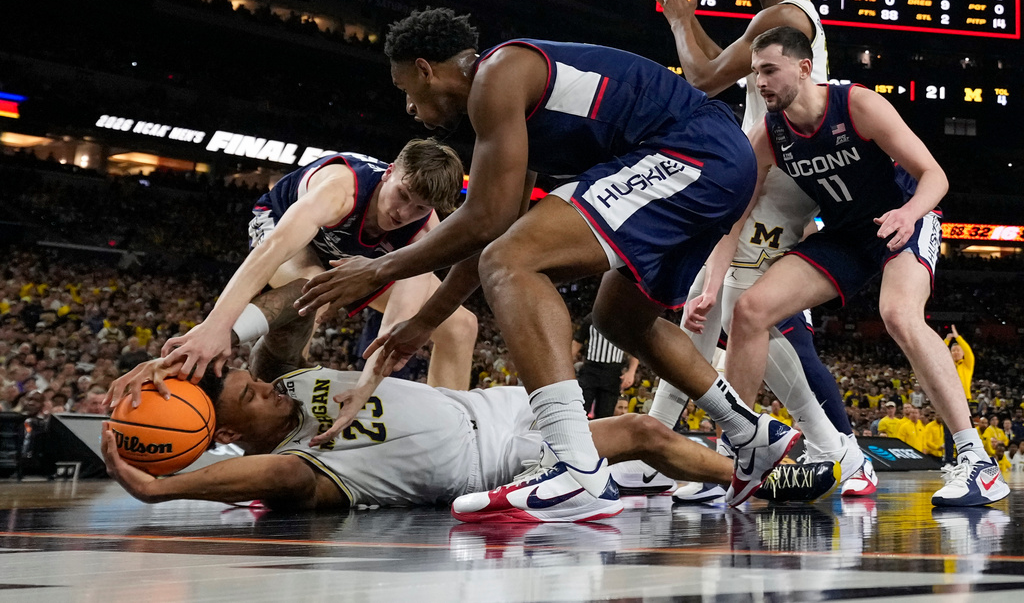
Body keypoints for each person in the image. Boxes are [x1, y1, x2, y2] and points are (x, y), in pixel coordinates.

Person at [293, 7, 802, 521]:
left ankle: (574, 467)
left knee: (512, 262)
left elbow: (488, 225)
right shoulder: (510, 101)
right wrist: (423, 322)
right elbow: (492, 231)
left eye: (407, 89)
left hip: (694, 153)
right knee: (617, 319)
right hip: (711, 162)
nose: (408, 106)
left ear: (426, 68)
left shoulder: (497, 75)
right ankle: (751, 434)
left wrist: (380, 269)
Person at [102, 283, 837, 511]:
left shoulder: (288, 384)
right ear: (221, 423)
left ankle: (735, 473)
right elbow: (272, 475)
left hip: (497, 404)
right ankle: (769, 484)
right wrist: (165, 487)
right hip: (497, 456)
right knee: (643, 430)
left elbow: (291, 305)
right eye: (243, 389)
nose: (261, 382)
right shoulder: (299, 472)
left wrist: (204, 337)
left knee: (641, 442)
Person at [723, 25, 1008, 507]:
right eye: (755, 74)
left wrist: (908, 213)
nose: (760, 82)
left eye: (769, 70)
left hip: (905, 217)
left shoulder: (856, 104)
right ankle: (744, 450)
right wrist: (710, 283)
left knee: (898, 314)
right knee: (749, 311)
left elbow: (934, 175)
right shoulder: (768, 135)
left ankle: (976, 460)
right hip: (846, 234)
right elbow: (735, 214)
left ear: (804, 67)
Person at [637, 0, 870, 497]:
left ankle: (836, 448)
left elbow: (702, 77)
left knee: (747, 309)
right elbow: (723, 65)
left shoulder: (784, 16)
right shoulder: (783, 17)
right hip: (760, 170)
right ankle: (657, 442)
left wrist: (674, 19)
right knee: (703, 308)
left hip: (778, 178)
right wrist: (687, 17)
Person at [139, 140, 478, 436]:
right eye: (402, 196)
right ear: (389, 173)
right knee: (315, 286)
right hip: (281, 225)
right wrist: (216, 325)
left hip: (356, 258)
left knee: (460, 326)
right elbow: (271, 252)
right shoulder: (340, 191)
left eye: (419, 207)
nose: (403, 213)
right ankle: (265, 417)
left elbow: (396, 323)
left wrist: (364, 389)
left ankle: (449, 429)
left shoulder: (424, 234)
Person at [572, 313, 638, 419]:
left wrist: (631, 372)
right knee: (580, 410)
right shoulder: (592, 318)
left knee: (605, 415)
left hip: (613, 372)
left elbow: (634, 350)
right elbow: (577, 342)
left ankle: (598, 435)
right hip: (591, 369)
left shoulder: (627, 322)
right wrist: (566, 365)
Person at [944, 324, 974, 463]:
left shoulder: (967, 365)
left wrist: (958, 338)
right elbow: (940, 354)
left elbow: (969, 352)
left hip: (963, 401)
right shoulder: (947, 365)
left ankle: (965, 459)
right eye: (953, 350)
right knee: (948, 432)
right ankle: (949, 460)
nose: (955, 352)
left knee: (965, 431)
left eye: (958, 350)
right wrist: (947, 341)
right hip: (948, 400)